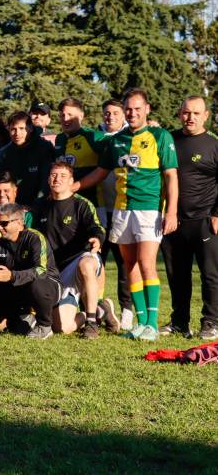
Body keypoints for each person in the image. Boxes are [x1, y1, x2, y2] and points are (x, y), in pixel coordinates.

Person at [76, 88, 179, 341]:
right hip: (122, 210)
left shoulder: (160, 136)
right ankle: (141, 323)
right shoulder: (116, 141)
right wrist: (74, 186)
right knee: (130, 266)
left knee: (146, 264)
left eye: (136, 108)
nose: (132, 113)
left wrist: (172, 211)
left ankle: (152, 325)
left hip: (148, 209)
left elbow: (171, 176)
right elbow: (100, 173)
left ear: (147, 109)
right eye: (129, 109)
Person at [160, 96, 218, 340]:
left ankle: (211, 322)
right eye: (186, 112)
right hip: (174, 221)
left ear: (206, 116)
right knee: (177, 275)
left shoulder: (214, 144)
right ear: (179, 113)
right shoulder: (169, 140)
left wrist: (216, 214)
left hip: (205, 220)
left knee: (210, 275)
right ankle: (179, 322)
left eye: (196, 113)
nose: (190, 117)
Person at [32, 162, 111, 338]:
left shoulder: (81, 204)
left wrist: (97, 239)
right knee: (63, 327)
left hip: (78, 261)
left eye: (62, 176)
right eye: (53, 175)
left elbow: (97, 228)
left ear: (71, 181)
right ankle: (100, 311)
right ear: (48, 179)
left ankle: (91, 324)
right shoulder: (40, 206)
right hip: (55, 271)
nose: (57, 179)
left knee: (87, 263)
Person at [0, 203, 61, 339]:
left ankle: (44, 326)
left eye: (4, 223)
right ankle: (20, 317)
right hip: (17, 288)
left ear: (19, 223)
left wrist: (11, 275)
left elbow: (41, 270)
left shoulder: (35, 238)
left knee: (36, 284)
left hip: (47, 286)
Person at [98, 98, 133, 329]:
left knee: (125, 263)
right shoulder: (94, 137)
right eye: (107, 113)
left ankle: (127, 310)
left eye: (115, 113)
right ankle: (97, 308)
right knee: (97, 261)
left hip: (124, 209)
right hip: (100, 210)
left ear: (123, 116)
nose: (110, 117)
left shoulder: (132, 137)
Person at [0, 111, 54, 206]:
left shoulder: (44, 148)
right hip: (13, 205)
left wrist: (36, 206)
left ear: (30, 128)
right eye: (13, 129)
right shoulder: (4, 153)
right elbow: (1, 183)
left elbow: (46, 182)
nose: (17, 133)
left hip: (40, 205)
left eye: (22, 128)